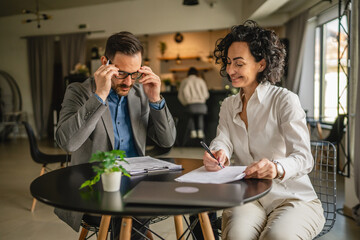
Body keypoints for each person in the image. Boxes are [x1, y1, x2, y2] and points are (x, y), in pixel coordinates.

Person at [203, 20, 325, 240]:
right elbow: (223, 139)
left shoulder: (285, 100)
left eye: (238, 63)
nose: (230, 70)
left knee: (277, 237)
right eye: (229, 62)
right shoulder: (229, 105)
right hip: (247, 196)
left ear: (261, 64)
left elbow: (304, 158)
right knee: (237, 236)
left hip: (292, 197)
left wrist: (276, 168)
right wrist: (218, 151)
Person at [55, 31, 176, 239]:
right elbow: (67, 143)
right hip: (94, 187)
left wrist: (155, 99)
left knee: (191, 202)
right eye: (121, 73)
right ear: (105, 62)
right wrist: (100, 96)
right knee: (128, 215)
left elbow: (167, 141)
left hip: (137, 182)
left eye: (134, 73)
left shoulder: (140, 93)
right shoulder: (78, 92)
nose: (129, 82)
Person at [178, 67, 209, 139]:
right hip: (202, 106)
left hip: (190, 106)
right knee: (200, 115)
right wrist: (202, 99)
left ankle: (193, 132)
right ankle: (200, 132)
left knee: (190, 116)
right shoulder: (201, 81)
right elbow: (206, 95)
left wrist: (185, 103)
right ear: (196, 73)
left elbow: (180, 96)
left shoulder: (184, 81)